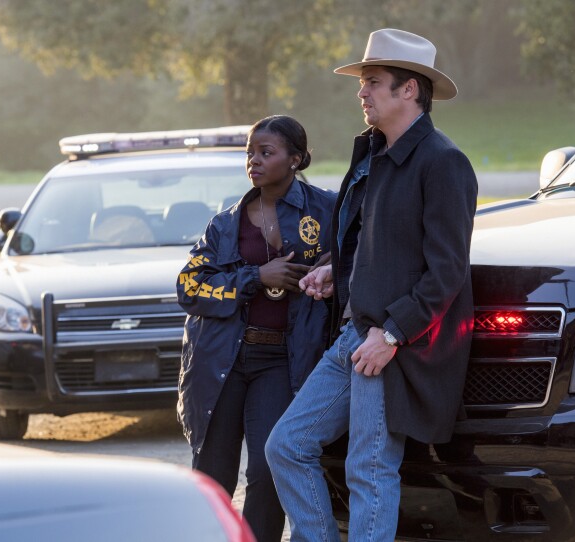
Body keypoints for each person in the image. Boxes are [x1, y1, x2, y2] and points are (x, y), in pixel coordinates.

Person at [265, 29, 478, 541]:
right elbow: (369, 244)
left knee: (369, 468)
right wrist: (332, 272)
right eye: (362, 83)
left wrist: (393, 334)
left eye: (374, 83)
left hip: (393, 344)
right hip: (355, 335)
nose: (362, 93)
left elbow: (447, 270)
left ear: (410, 90)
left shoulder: (443, 162)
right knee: (286, 446)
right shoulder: (374, 155)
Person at [177, 115, 337, 542]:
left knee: (268, 470)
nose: (254, 160)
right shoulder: (225, 224)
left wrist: (333, 266)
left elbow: (361, 253)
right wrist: (255, 277)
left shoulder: (328, 209)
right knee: (212, 472)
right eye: (250, 152)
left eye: (266, 152)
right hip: (223, 360)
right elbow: (188, 288)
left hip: (282, 360)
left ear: (296, 159)